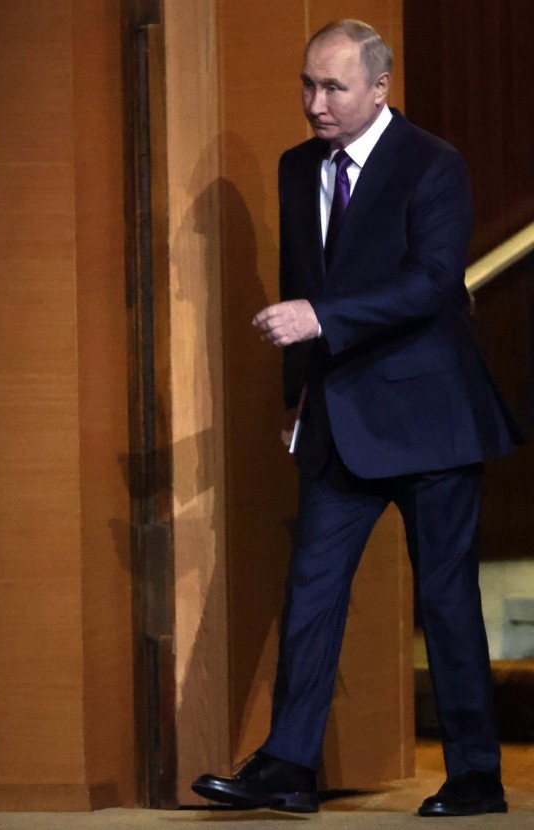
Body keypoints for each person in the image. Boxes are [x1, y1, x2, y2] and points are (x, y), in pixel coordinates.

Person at [192, 19, 522, 817]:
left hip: (433, 417)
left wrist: (321, 320)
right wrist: (297, 396)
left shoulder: (433, 164)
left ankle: (475, 775)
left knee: (445, 600)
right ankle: (289, 767)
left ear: (380, 88)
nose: (316, 102)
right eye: (308, 84)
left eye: (334, 87)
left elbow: (435, 283)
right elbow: (298, 278)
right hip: (339, 416)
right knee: (310, 591)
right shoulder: (296, 166)